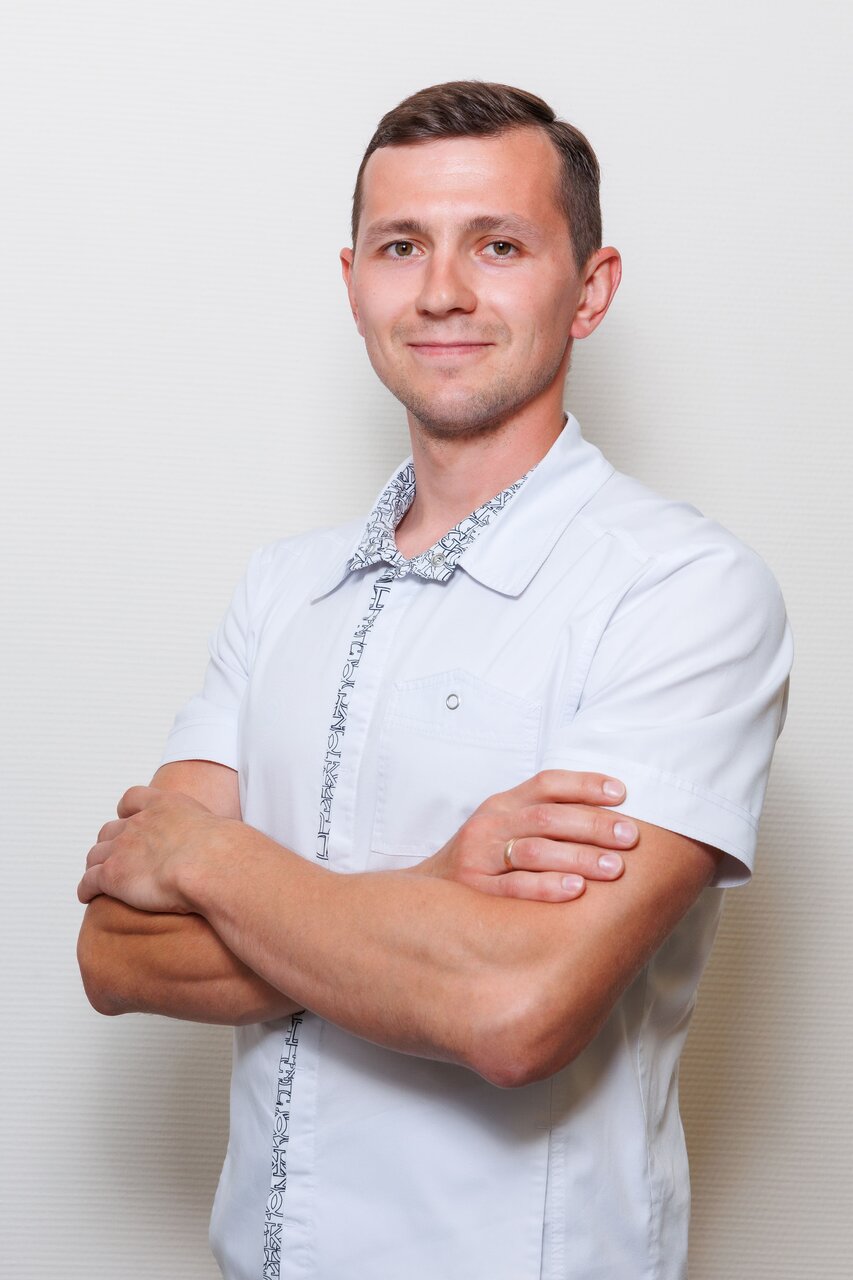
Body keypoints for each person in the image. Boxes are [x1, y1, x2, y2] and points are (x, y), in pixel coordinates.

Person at [76, 81, 793, 1280]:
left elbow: (515, 1010)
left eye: (498, 245)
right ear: (353, 279)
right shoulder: (280, 590)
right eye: (401, 245)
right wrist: (428, 892)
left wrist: (207, 856)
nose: (442, 290)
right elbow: (115, 954)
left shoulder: (682, 591)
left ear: (590, 288)